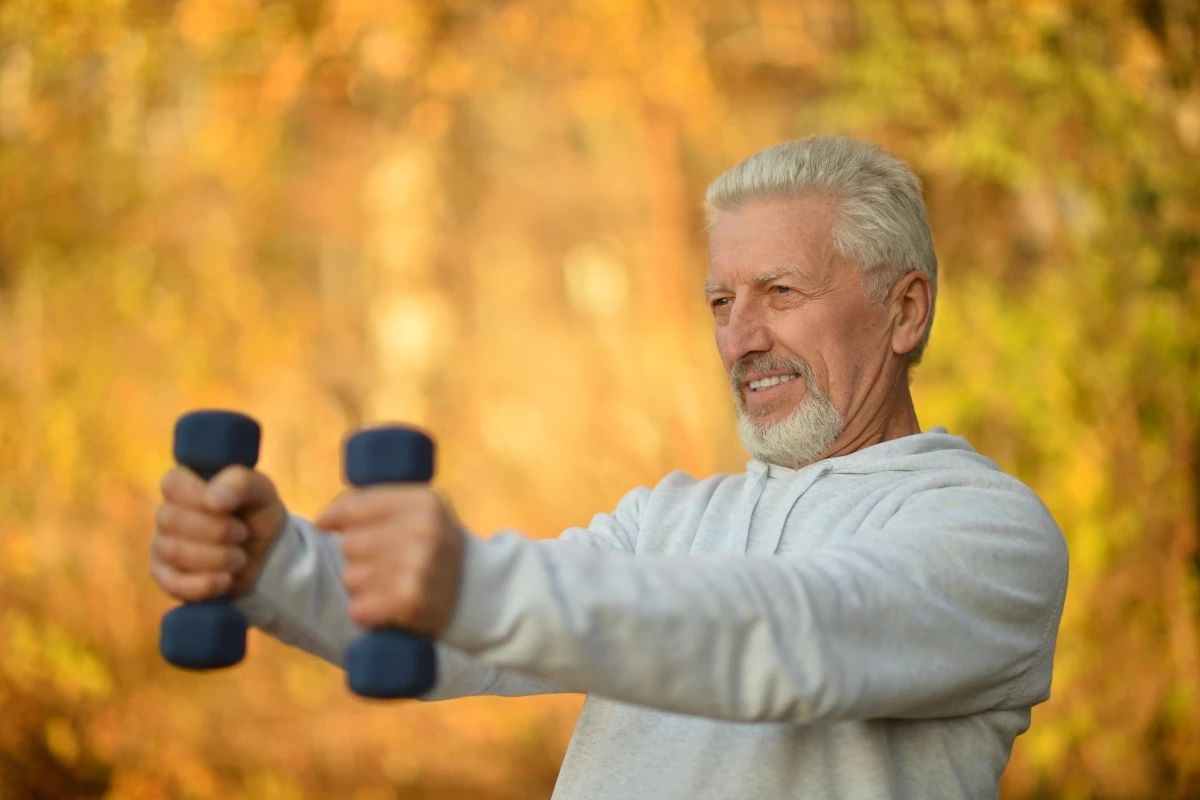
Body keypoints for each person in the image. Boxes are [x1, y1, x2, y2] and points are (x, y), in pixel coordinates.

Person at [150, 136, 1068, 799]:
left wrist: (468, 579)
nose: (743, 339)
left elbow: (790, 639)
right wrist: (268, 562)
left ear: (906, 312)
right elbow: (457, 633)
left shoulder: (987, 534)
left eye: (781, 293)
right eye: (720, 301)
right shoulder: (666, 520)